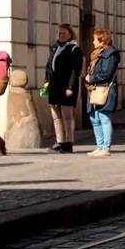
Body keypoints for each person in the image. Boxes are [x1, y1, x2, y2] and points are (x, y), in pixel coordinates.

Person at [45, 23, 83, 152]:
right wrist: (46, 81)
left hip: (66, 86)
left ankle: (69, 142)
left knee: (67, 116)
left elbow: (75, 70)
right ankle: (59, 141)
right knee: (56, 116)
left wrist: (71, 87)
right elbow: (49, 66)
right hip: (54, 85)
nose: (61, 36)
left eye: (64, 33)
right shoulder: (54, 48)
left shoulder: (74, 49)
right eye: (59, 33)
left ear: (70, 34)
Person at [85, 28, 120, 156]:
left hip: (105, 89)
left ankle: (106, 147)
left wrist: (91, 78)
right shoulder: (98, 54)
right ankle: (99, 146)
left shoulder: (110, 54)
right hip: (95, 89)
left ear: (102, 41)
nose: (93, 42)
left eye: (95, 39)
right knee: (94, 117)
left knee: (104, 117)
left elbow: (106, 73)